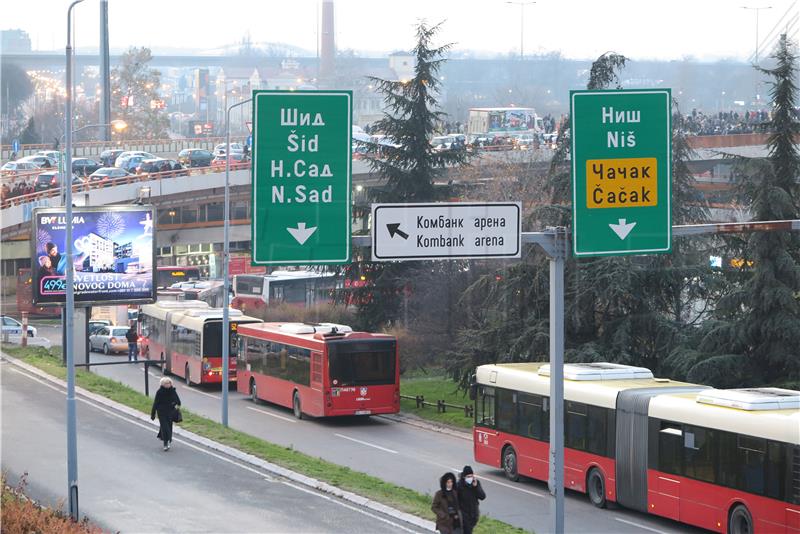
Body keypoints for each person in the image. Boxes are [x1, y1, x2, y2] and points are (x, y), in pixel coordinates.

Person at [150, 377, 181, 451]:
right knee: (164, 427)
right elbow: (156, 403)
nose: (168, 384)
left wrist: (174, 404)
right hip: (161, 412)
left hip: (170, 411)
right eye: (166, 383)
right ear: (162, 384)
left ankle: (168, 439)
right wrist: (153, 414)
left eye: (169, 383)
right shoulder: (159, 392)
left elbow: (178, 401)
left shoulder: (172, 391)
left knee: (169, 426)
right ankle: (165, 443)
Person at [456, 466, 486, 534]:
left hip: (474, 514)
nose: (470, 478)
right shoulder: (459, 485)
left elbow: (482, 497)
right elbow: (455, 500)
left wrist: (476, 487)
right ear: (464, 477)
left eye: (471, 476)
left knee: (469, 530)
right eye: (468, 476)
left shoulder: (476, 483)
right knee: (467, 531)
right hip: (464, 515)